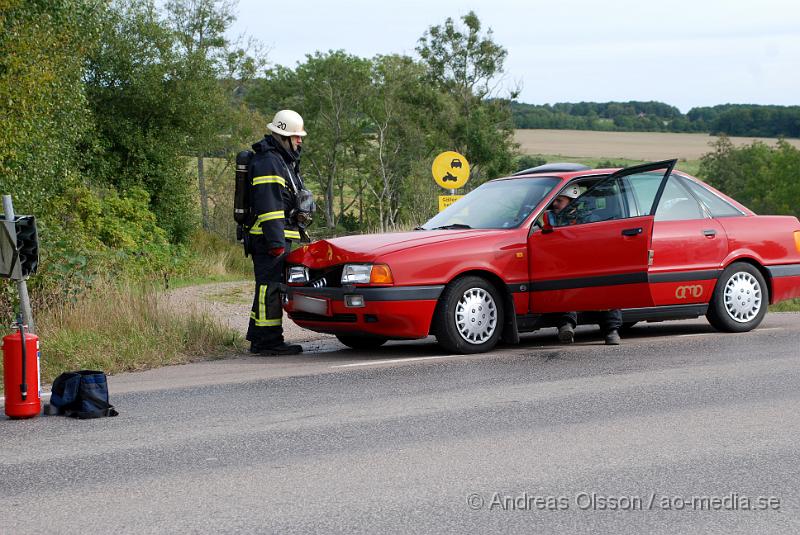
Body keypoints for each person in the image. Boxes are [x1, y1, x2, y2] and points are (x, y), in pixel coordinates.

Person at [245, 109, 308, 355]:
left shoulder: (280, 160)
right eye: (296, 136)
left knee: (267, 286)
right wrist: (276, 242)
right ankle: (269, 341)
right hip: (270, 238)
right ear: (283, 137)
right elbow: (270, 207)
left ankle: (258, 336)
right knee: (269, 288)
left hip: (277, 236)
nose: (299, 141)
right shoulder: (269, 162)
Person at [546, 185, 622, 346]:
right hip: (565, 268)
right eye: (554, 201)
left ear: (573, 201)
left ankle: (611, 331)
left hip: (590, 268)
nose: (555, 204)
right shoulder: (551, 220)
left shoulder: (590, 219)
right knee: (560, 285)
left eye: (559, 201)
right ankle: (566, 326)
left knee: (607, 287)